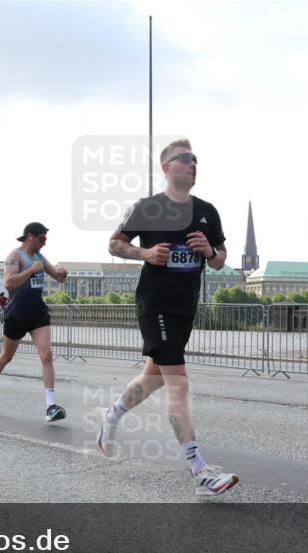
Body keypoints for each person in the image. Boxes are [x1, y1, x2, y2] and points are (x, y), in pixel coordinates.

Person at [101, 138, 238, 497]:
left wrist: (210, 251)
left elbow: (221, 257)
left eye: (195, 160)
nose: (193, 165)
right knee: (178, 382)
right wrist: (145, 252)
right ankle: (199, 470)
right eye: (185, 159)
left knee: (154, 378)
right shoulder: (148, 207)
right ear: (167, 167)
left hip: (185, 307)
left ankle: (112, 416)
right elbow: (114, 243)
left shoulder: (207, 210)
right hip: (155, 303)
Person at [0, 222, 68, 422]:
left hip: (37, 312)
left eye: (46, 239)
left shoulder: (40, 257)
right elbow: (8, 283)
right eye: (42, 238)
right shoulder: (15, 256)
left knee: (47, 354)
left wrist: (63, 273)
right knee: (6, 357)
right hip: (16, 313)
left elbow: (58, 278)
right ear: (30, 236)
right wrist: (30, 271)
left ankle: (50, 406)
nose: (45, 243)